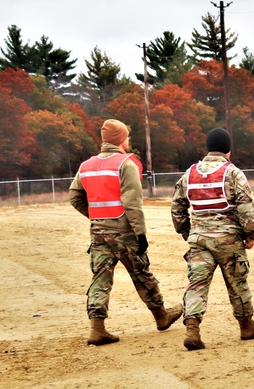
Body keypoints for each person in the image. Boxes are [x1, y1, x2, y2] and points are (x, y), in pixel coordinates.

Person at [69, 119, 182, 345]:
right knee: (142, 274)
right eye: (127, 137)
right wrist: (140, 234)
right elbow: (132, 203)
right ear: (120, 139)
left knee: (100, 278)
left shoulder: (86, 166)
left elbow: (74, 197)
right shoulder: (126, 164)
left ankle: (97, 328)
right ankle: (161, 316)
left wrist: (96, 217)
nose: (128, 140)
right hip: (124, 232)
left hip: (99, 232)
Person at [170, 127, 254, 350]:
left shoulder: (190, 173)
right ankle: (246, 326)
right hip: (228, 240)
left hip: (199, 240)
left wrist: (187, 231)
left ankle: (192, 330)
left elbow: (177, 206)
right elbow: (246, 207)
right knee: (237, 282)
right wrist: (250, 234)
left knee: (197, 284)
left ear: (208, 148)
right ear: (228, 150)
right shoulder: (233, 173)